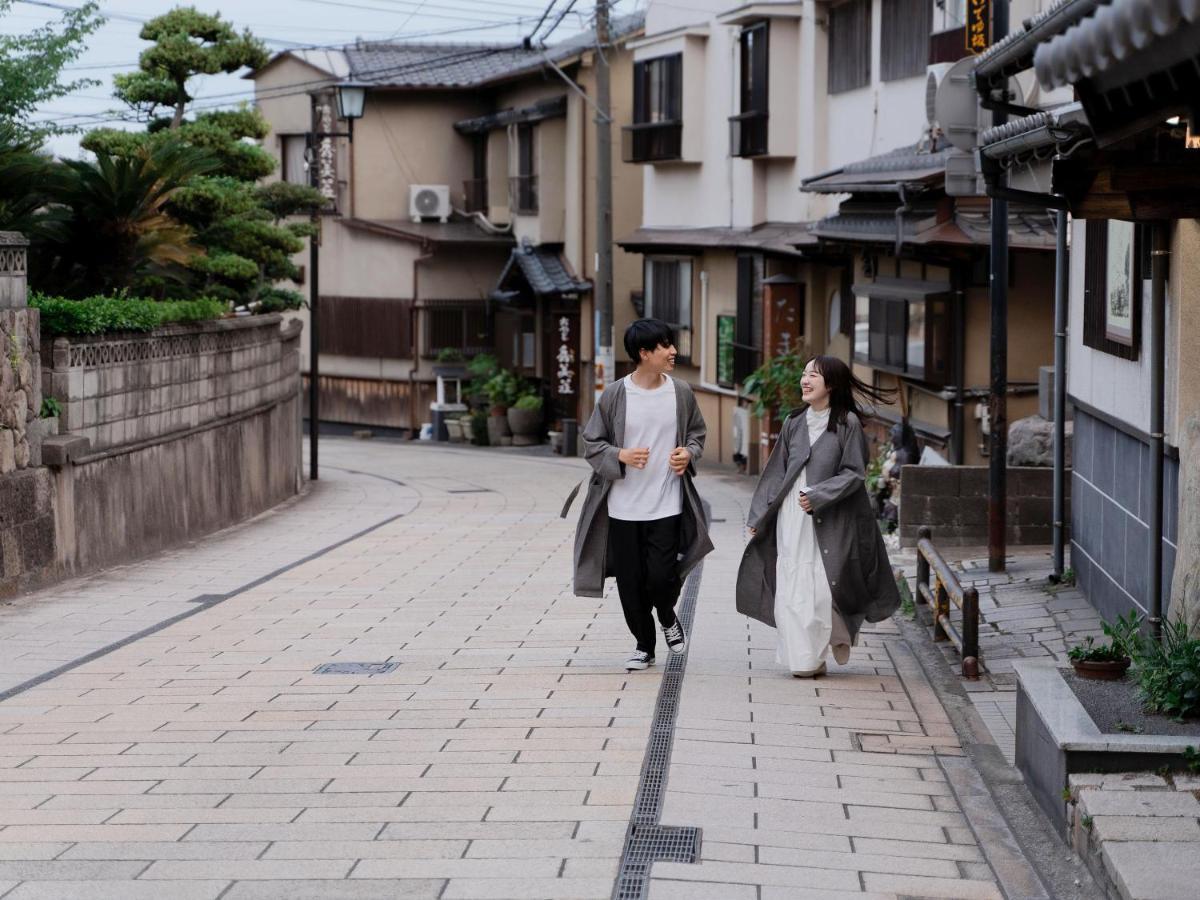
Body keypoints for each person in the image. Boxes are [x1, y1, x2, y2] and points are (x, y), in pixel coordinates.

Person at [562, 319, 714, 671]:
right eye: (665, 346)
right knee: (630, 584)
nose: (673, 351)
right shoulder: (616, 394)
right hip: (621, 507)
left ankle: (666, 615)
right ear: (644, 353)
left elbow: (697, 435)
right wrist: (621, 455)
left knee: (661, 577)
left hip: (666, 503)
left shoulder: (680, 392)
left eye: (671, 344)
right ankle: (644, 646)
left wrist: (688, 454)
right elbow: (592, 443)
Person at [736, 356, 901, 677]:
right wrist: (758, 515)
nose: (805, 380)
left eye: (814, 375)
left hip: (831, 521)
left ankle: (828, 640)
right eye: (804, 374)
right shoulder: (793, 422)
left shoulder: (847, 424)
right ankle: (804, 657)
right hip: (791, 517)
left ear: (832, 384)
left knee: (824, 586)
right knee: (791, 581)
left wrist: (818, 496)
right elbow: (775, 473)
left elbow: (854, 473)